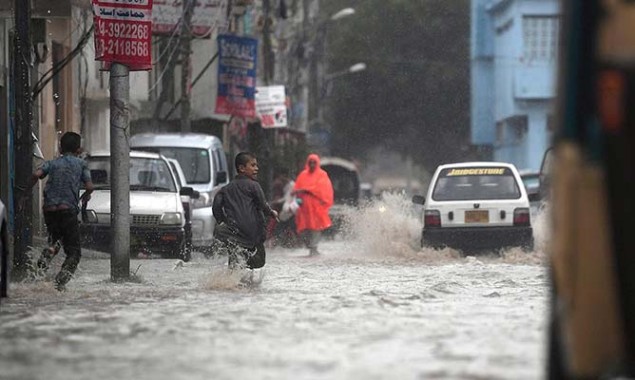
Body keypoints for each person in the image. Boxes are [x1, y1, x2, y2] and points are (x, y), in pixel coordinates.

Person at [19, 132, 94, 291]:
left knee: (55, 242)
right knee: (74, 253)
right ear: (78, 150)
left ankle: (38, 275)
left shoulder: (52, 163)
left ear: (60, 148)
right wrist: (86, 197)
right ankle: (58, 284)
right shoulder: (81, 164)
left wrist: (25, 194)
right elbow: (89, 187)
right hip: (68, 210)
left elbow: (36, 174)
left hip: (50, 210)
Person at [212, 152, 278, 271]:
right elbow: (263, 204)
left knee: (234, 259)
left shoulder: (226, 188)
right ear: (241, 168)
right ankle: (243, 272)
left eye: (256, 165)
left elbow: (216, 205)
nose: (256, 168)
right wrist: (271, 213)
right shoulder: (254, 186)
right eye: (253, 165)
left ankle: (233, 279)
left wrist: (221, 220)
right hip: (252, 233)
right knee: (259, 261)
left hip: (232, 232)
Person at [293, 154, 334, 256]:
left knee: (315, 228)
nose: (312, 164)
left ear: (317, 163)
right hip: (303, 208)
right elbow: (296, 189)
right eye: (310, 162)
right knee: (302, 229)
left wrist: (307, 190)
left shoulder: (322, 175)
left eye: (314, 162)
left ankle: (314, 248)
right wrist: (299, 196)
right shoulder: (302, 175)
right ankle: (310, 246)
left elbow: (323, 189)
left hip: (316, 207)